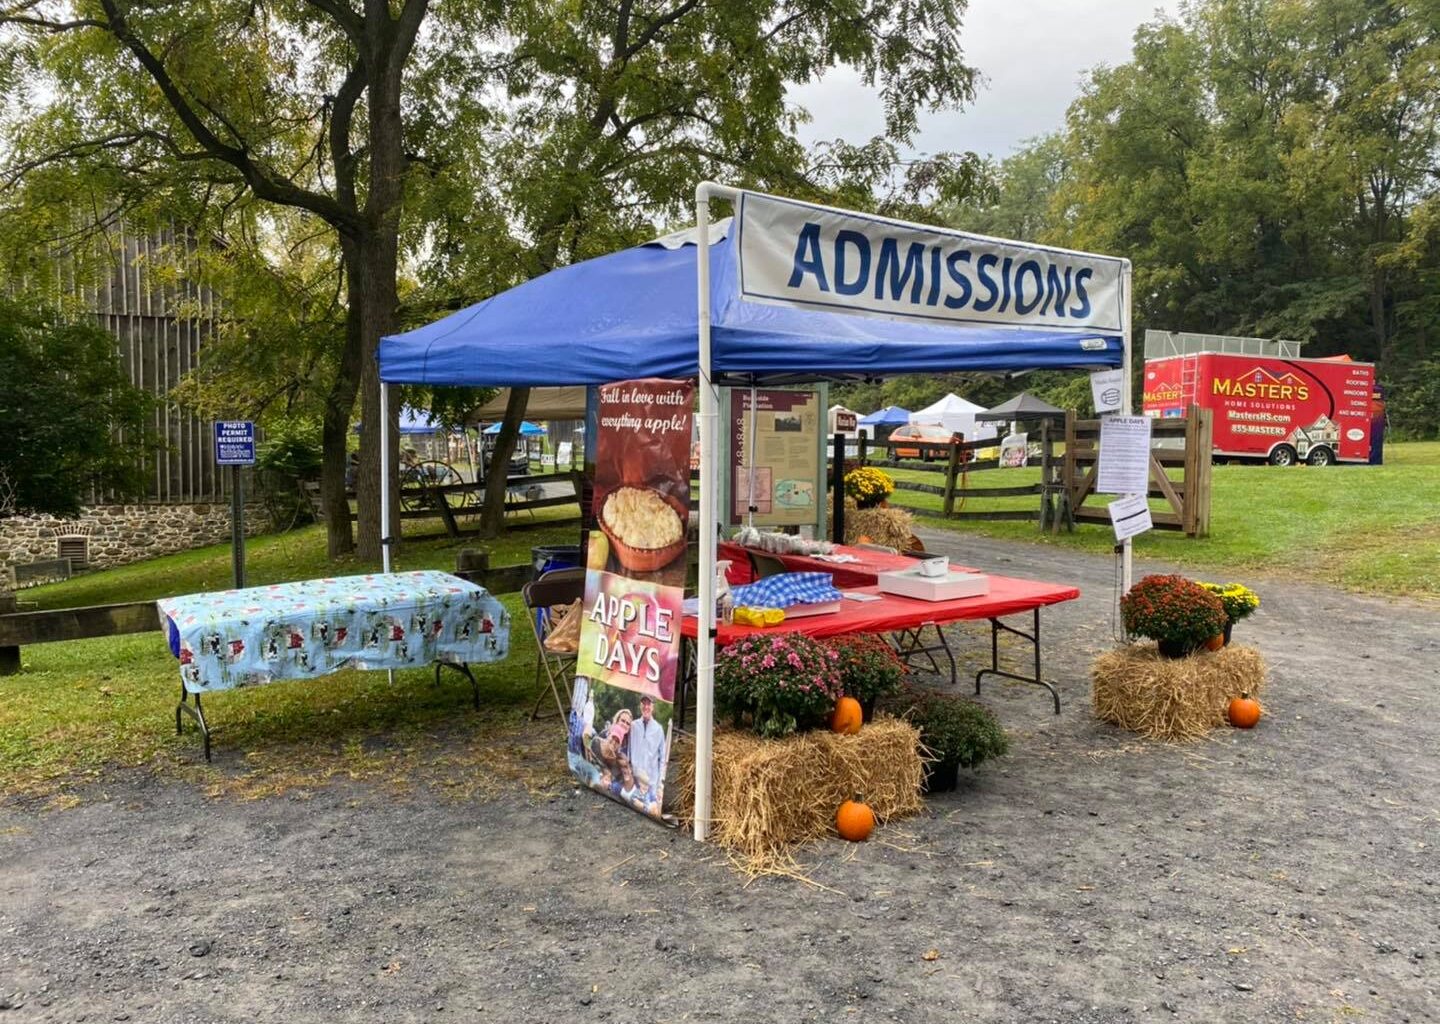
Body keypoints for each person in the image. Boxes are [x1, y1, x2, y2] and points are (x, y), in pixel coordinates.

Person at [626, 696, 666, 801]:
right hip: (635, 779)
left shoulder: (659, 729)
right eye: (643, 704)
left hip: (651, 783)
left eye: (649, 704)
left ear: (653, 707)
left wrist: (660, 784)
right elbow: (628, 751)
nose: (646, 707)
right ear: (640, 706)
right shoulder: (633, 725)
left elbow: (662, 758)